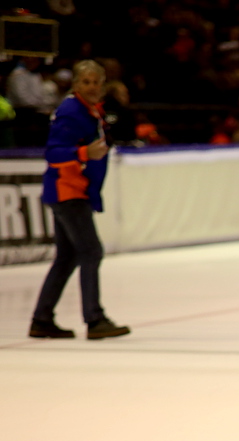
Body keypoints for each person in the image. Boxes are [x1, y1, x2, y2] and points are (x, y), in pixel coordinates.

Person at [28, 60, 130, 341]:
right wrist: (85, 153)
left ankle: (42, 318)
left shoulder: (89, 110)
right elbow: (54, 153)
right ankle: (94, 319)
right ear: (75, 85)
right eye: (86, 82)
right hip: (67, 192)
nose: (93, 87)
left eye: (97, 81)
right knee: (91, 251)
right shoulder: (71, 111)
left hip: (73, 191)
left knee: (67, 257)